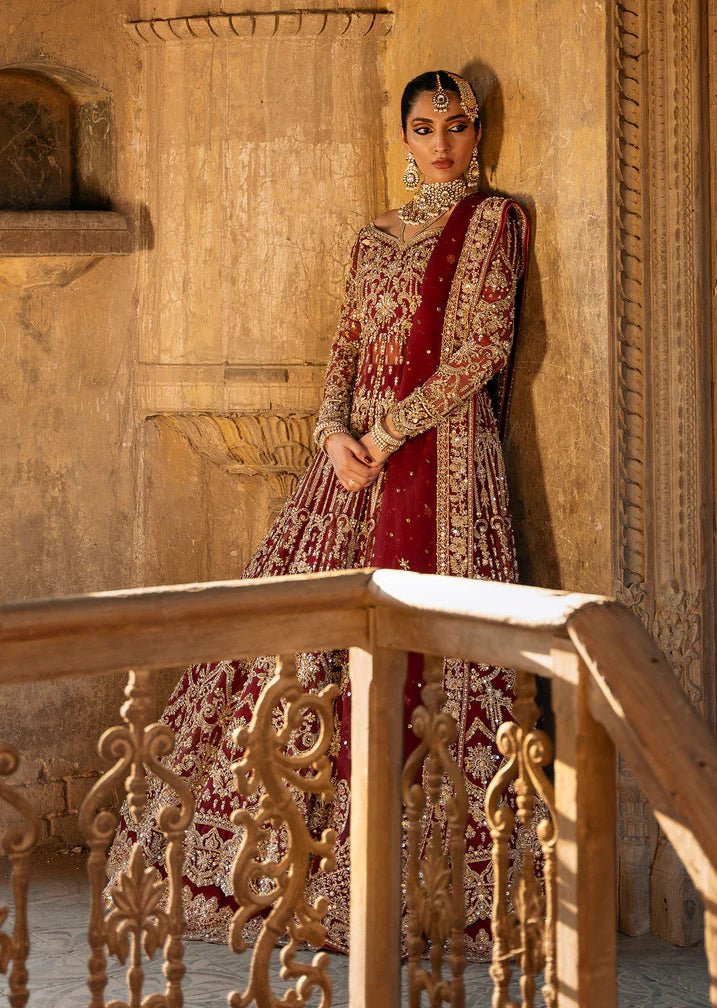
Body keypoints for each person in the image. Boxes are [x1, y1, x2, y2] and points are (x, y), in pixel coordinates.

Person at [107, 70, 529, 961]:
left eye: (457, 126)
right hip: (347, 471)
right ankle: (299, 867)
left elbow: (482, 352)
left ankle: (417, 890)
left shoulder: (493, 223)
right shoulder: (376, 239)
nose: (442, 144)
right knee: (303, 652)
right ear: (404, 139)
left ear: (476, 131)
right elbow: (342, 349)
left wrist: (384, 432)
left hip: (442, 466)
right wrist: (333, 429)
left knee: (423, 664)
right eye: (424, 128)